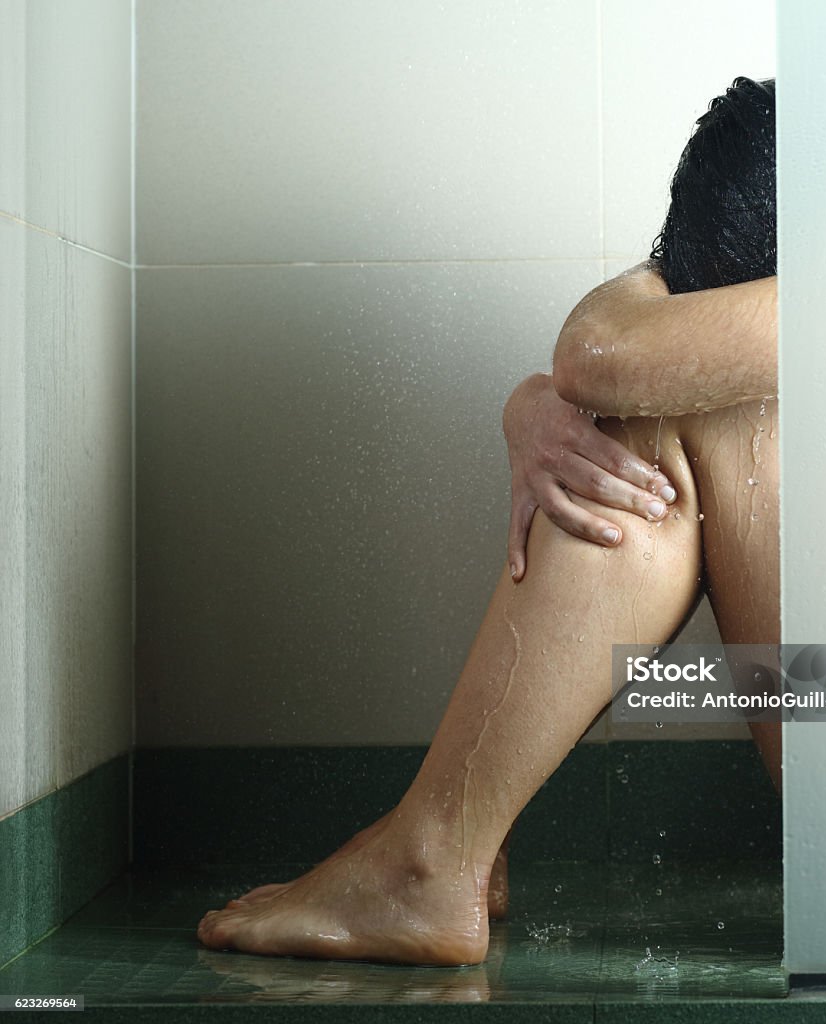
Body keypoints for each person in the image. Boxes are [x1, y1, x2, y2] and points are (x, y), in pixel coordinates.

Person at [197, 76, 779, 967]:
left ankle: (430, 857)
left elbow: (606, 357)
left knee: (644, 420)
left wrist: (542, 400)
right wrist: (542, 405)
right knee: (634, 421)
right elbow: (616, 361)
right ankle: (436, 842)